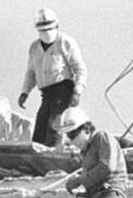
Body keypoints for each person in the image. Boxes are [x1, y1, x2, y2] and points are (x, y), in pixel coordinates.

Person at [19, 8, 87, 148]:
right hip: (47, 94)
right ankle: (37, 159)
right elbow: (31, 72)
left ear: (57, 26)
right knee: (40, 129)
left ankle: (52, 157)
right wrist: (25, 92)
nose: (46, 33)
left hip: (63, 91)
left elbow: (80, 69)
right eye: (43, 30)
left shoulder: (65, 42)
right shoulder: (34, 48)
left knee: (54, 128)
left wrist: (77, 92)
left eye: (49, 29)